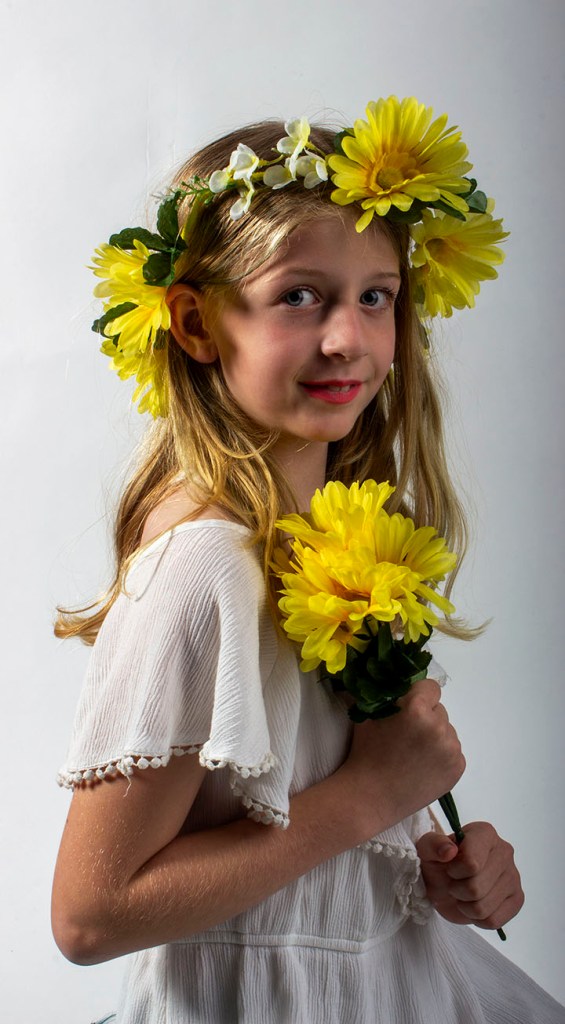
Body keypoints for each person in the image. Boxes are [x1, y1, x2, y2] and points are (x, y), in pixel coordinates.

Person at [52, 96, 565, 1023]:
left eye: (375, 296)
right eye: (299, 296)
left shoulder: (334, 540)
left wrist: (439, 864)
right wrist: (368, 797)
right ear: (196, 323)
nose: (348, 339)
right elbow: (91, 915)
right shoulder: (206, 564)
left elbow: (307, 844)